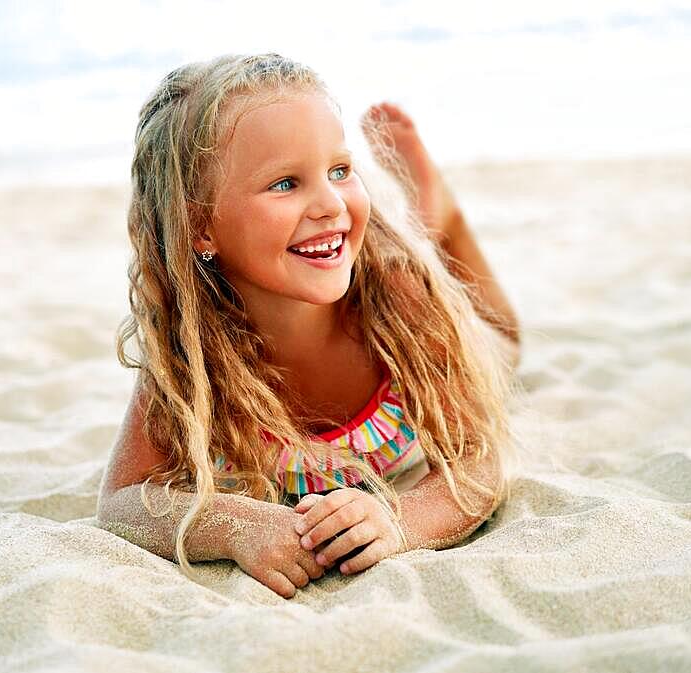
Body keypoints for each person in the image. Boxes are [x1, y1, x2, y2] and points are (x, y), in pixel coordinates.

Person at [96, 53, 522, 599]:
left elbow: (481, 459)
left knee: (503, 338)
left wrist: (400, 519)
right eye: (285, 183)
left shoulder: (398, 297)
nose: (328, 203)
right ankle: (427, 215)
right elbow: (121, 501)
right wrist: (236, 527)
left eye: (340, 171)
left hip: (449, 319)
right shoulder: (193, 349)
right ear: (200, 227)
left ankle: (437, 212)